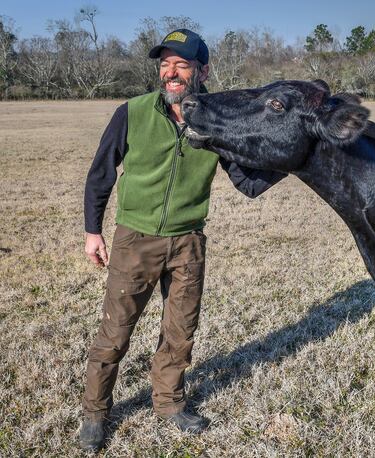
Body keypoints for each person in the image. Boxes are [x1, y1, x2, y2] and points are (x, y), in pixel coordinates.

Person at [79, 28, 286, 452]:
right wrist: (92, 231)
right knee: (116, 332)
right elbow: (101, 173)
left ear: (203, 70)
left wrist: (293, 159)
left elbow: (246, 182)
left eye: (182, 64)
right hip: (134, 240)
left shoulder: (216, 122)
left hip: (189, 242)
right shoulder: (132, 112)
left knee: (180, 332)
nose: (171, 72)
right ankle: (95, 413)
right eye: (165, 64)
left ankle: (171, 404)